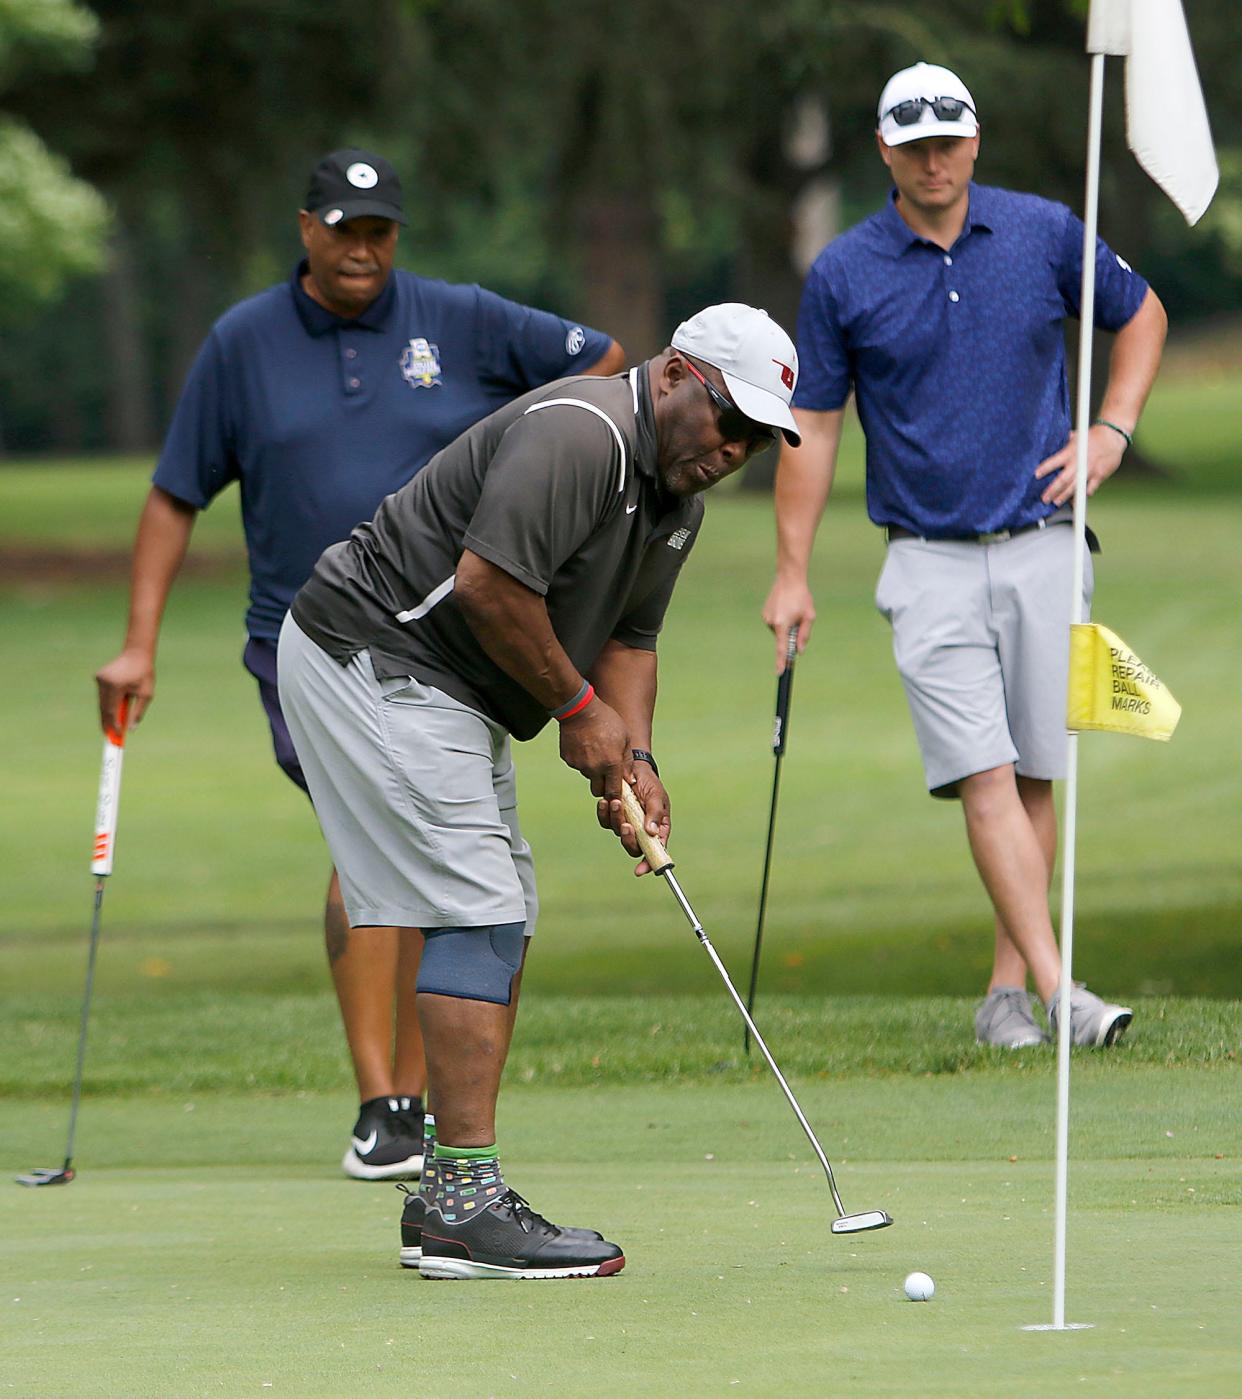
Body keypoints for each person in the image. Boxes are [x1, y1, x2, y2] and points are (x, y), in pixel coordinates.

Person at [94, 148, 626, 1179]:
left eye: (380, 231)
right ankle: (386, 1099)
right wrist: (137, 641)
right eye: (344, 229)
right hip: (310, 640)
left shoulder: (461, 318)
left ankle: (414, 1107)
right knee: (385, 837)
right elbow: (175, 494)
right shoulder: (242, 344)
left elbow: (601, 365)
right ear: (305, 228)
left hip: (457, 643)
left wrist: (524, 481)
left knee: (421, 847)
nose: (363, 249)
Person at [277, 302, 799, 1278]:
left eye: (757, 441)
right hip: (373, 647)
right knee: (476, 903)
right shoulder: (583, 433)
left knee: (501, 907)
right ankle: (467, 1207)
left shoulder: (674, 502)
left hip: (442, 682)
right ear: (678, 375)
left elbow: (630, 639)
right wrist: (580, 713)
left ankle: (447, 1200)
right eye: (729, 420)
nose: (734, 450)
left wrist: (632, 758)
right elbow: (487, 587)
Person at [763, 63, 1168, 1049]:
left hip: (1045, 541)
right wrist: (791, 569)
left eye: (948, 139)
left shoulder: (1042, 231)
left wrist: (1113, 429)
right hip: (927, 560)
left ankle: (1005, 997)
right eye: (914, 142)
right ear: (884, 149)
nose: (933, 158)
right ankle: (1064, 991)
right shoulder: (845, 272)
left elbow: (1142, 313)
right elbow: (813, 426)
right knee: (984, 774)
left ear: (974, 141)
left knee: (1033, 775)